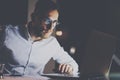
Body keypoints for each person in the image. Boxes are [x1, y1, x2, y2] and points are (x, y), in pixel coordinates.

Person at [0, 0, 78, 76]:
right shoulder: (7, 33)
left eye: (54, 22)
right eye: (47, 21)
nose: (51, 28)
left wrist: (69, 67)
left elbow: (74, 65)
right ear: (34, 17)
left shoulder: (52, 44)